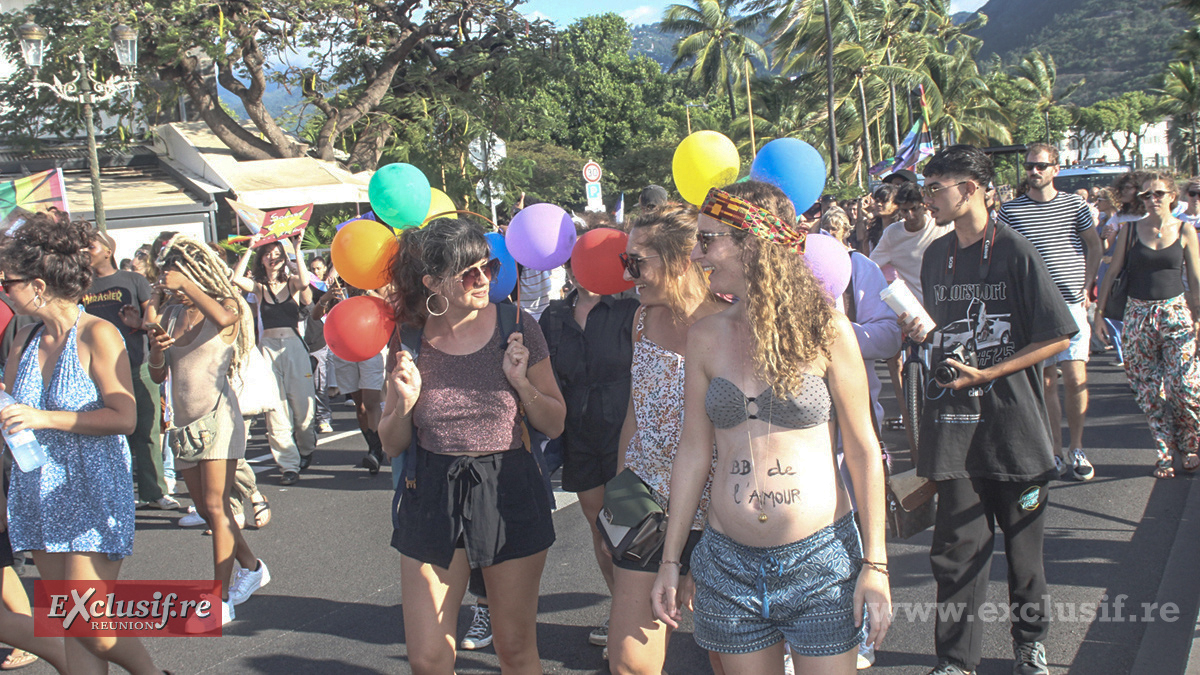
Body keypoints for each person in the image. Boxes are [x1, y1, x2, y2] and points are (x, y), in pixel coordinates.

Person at [648, 183, 891, 675]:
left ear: (753, 242)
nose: (697, 254)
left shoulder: (828, 330)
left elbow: (864, 448)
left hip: (821, 562)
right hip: (728, 566)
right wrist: (671, 559)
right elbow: (694, 453)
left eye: (709, 239)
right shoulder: (705, 337)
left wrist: (877, 564)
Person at [900, 145, 1077, 675]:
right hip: (954, 429)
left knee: (1024, 559)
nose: (927, 198)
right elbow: (944, 332)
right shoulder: (934, 255)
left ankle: (1030, 646)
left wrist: (991, 373)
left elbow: (1058, 335)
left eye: (936, 188)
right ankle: (955, 661)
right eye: (926, 188)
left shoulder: (1016, 251)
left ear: (971, 189)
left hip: (1015, 429)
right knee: (954, 557)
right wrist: (921, 332)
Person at [379, 217, 565, 675]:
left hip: (508, 488)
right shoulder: (409, 339)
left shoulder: (517, 326)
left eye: (489, 266)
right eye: (468, 273)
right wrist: (403, 404)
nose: (485, 280)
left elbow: (555, 422)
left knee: (515, 651)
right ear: (432, 282)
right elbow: (391, 442)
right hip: (432, 493)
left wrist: (521, 383)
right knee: (427, 658)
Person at [0, 211, 164, 674]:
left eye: (7, 282)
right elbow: (13, 410)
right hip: (40, 492)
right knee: (66, 624)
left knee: (91, 624)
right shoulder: (23, 342)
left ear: (36, 284)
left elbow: (125, 416)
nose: (3, 290)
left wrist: (43, 417)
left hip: (91, 489)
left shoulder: (97, 332)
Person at [605, 204, 728, 675]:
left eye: (637, 261)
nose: (628, 272)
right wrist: (621, 498)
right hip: (649, 511)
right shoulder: (641, 322)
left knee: (728, 661)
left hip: (722, 515)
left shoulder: (731, 325)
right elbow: (636, 417)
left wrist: (705, 548)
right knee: (630, 663)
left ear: (679, 262)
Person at [148, 235, 270, 625]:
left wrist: (186, 286)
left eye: (177, 275)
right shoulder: (170, 314)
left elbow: (225, 320)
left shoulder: (226, 305)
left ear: (195, 271)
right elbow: (158, 373)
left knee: (217, 506)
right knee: (205, 509)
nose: (170, 284)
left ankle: (219, 601)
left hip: (218, 418)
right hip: (183, 424)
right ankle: (251, 566)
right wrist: (154, 347)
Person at [538, 229, 640, 650]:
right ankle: (623, 609)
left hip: (626, 432)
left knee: (632, 529)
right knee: (600, 528)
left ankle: (637, 618)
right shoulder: (552, 316)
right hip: (578, 434)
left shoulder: (631, 310)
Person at [997, 143, 1102, 482]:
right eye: (1030, 166)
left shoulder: (1075, 204)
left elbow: (1093, 244)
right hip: (1034, 308)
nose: (1034, 172)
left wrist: (1087, 286)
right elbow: (1005, 255)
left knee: (1076, 378)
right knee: (1046, 383)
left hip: (1071, 302)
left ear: (1056, 168)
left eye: (1041, 166)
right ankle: (1054, 451)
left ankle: (1078, 447)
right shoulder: (1010, 211)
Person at [1093, 173, 1200, 479]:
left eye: (1158, 194)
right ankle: (1164, 451)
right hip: (1138, 315)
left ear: (1172, 196)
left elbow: (1194, 279)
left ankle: (1188, 443)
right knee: (1149, 391)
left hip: (1176, 313)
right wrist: (1099, 314)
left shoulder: (1185, 229)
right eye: (1145, 196)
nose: (1151, 200)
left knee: (1186, 388)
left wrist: (1198, 315)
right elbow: (1112, 273)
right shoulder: (1129, 230)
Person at [81, 230, 177, 509]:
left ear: (108, 250)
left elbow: (155, 322)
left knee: (147, 431)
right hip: (97, 374)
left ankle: (155, 492)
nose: (84, 251)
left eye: (90, 246)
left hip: (137, 366)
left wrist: (138, 323)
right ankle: (116, 495)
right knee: (109, 437)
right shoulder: (81, 286)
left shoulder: (134, 281)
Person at [232, 233, 315, 485]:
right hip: (267, 348)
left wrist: (297, 249)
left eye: (277, 253)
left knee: (302, 407)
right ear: (262, 259)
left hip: (293, 348)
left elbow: (304, 281)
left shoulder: (291, 283)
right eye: (267, 253)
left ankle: (306, 448)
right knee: (275, 409)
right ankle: (288, 465)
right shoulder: (258, 287)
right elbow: (235, 279)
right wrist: (249, 247)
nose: (272, 257)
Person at [312, 284, 386, 473]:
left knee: (371, 402)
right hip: (344, 351)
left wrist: (369, 291)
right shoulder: (337, 289)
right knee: (360, 405)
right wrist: (326, 298)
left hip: (370, 349)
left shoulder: (373, 287)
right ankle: (372, 446)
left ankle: (376, 451)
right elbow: (314, 316)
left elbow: (391, 307)